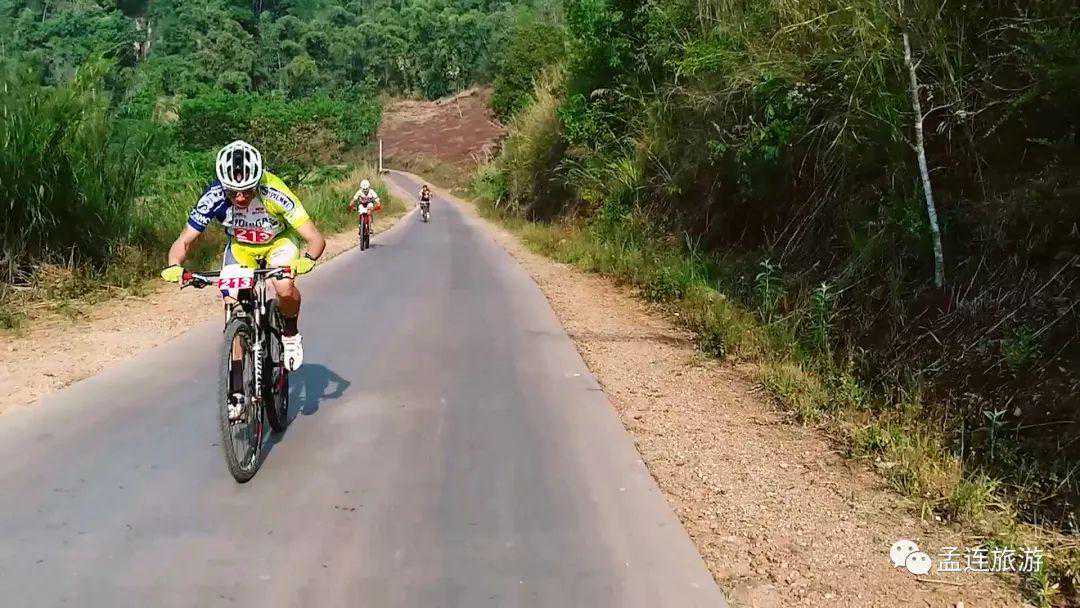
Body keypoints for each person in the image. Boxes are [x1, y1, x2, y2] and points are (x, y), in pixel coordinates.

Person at [160, 140, 326, 372]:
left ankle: (290, 333)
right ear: (223, 186)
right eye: (233, 192)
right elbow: (185, 239)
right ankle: (236, 376)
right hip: (242, 247)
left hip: (278, 242)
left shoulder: (275, 191)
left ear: (257, 182)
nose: (240, 197)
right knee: (232, 300)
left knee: (283, 286)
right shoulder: (214, 196)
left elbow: (316, 239)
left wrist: (307, 259)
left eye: (248, 191)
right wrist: (174, 265)